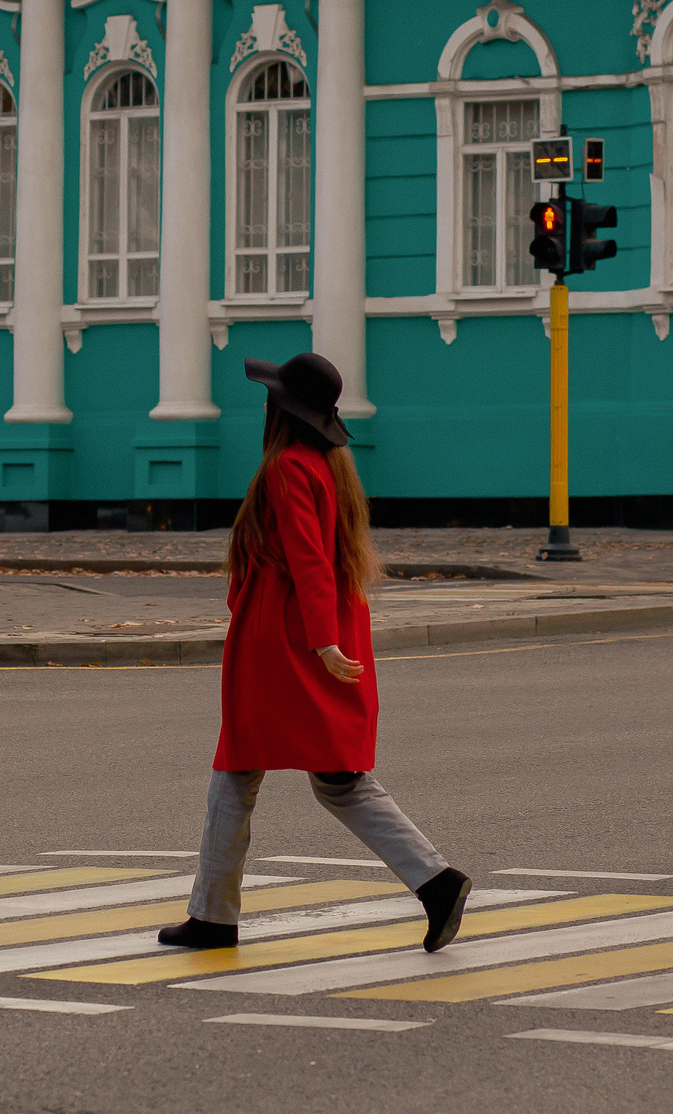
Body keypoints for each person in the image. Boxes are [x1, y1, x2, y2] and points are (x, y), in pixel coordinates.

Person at [158, 351, 474, 953]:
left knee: (236, 773)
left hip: (285, 639)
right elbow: (324, 561)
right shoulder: (332, 467)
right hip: (322, 627)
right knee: (337, 777)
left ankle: (213, 917)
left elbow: (305, 557)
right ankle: (436, 882)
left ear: (282, 409)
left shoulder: (284, 468)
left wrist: (320, 643)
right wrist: (330, 637)